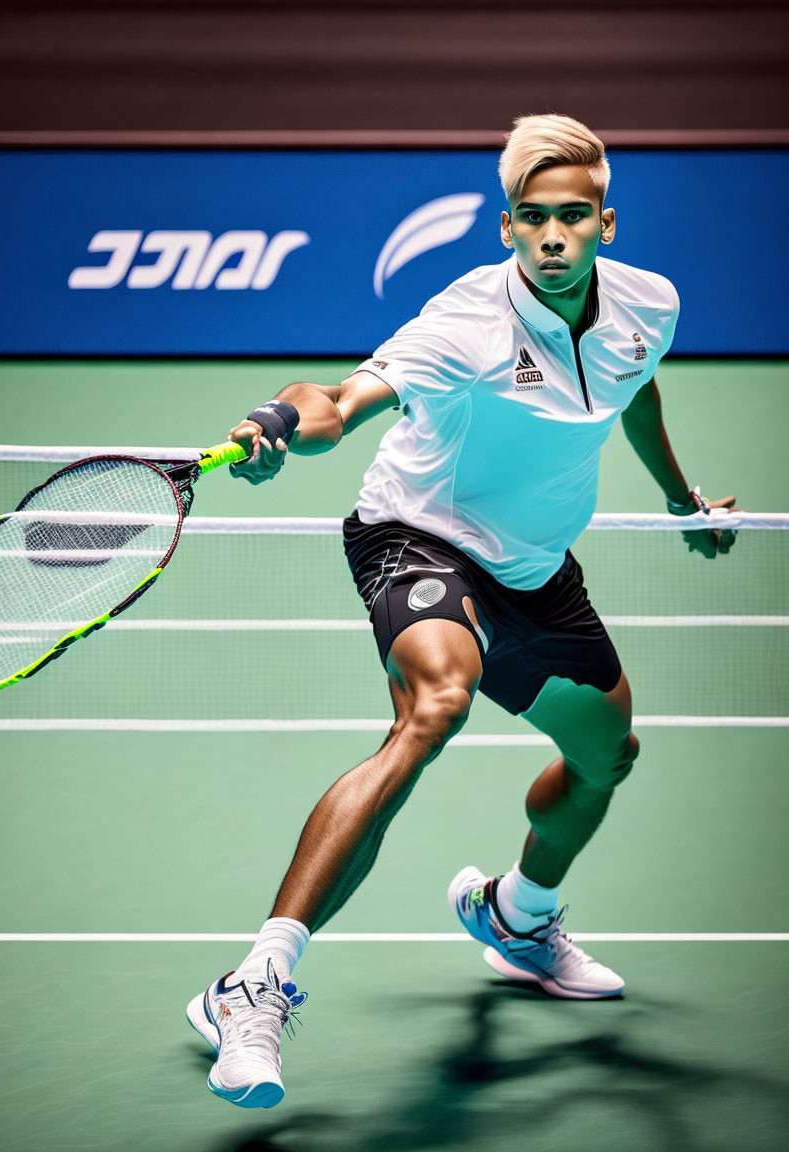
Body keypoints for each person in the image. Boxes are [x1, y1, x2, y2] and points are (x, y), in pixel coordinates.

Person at [185, 113, 737, 1109]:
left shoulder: (647, 306)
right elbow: (341, 400)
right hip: (416, 536)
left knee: (606, 755)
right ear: (506, 228)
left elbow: (636, 392)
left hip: (534, 566)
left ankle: (515, 919)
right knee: (436, 704)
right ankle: (251, 985)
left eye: (572, 217)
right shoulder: (462, 323)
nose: (554, 236)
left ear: (605, 223)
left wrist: (678, 501)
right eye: (534, 219)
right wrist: (276, 422)